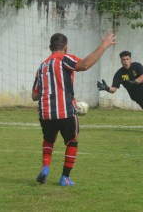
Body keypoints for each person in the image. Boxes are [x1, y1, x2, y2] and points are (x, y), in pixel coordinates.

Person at [32, 32, 117, 186]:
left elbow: (34, 95)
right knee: (72, 140)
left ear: (50, 47)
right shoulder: (65, 58)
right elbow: (84, 65)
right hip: (65, 110)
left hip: (45, 112)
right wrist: (104, 45)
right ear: (66, 47)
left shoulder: (42, 67)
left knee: (49, 140)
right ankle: (65, 177)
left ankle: (45, 167)